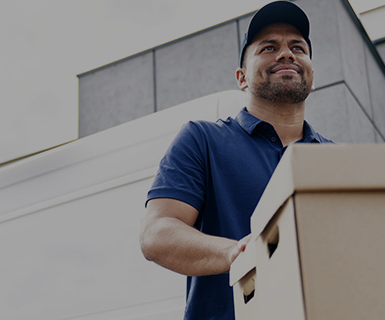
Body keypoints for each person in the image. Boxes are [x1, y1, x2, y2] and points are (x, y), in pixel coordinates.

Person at [139, 2, 333, 319]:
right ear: (242, 77)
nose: (286, 54)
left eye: (297, 47)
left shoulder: (335, 159)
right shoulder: (202, 140)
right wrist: (239, 254)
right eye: (269, 47)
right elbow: (156, 233)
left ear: (311, 74)